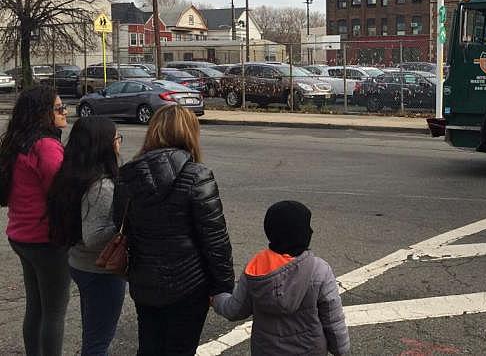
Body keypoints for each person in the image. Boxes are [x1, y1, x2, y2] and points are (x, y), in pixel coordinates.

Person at [113, 104, 234, 355]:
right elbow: (215, 240)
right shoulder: (197, 175)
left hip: (144, 280)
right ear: (190, 134)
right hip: (188, 284)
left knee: (149, 346)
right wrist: (222, 286)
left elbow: (121, 225)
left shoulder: (129, 175)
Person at [211, 200, 350, 356]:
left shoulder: (256, 268)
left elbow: (234, 310)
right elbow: (333, 319)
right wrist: (341, 350)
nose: (311, 230)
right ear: (301, 232)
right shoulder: (319, 270)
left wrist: (216, 298)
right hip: (310, 350)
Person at [0, 85, 70, 355]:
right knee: (54, 311)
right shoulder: (46, 146)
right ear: (43, 113)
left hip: (21, 235)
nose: (64, 112)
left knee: (36, 306)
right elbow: (62, 190)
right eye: (58, 108)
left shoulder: (16, 142)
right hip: (46, 239)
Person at [47, 117, 125, 356]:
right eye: (116, 139)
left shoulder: (70, 176)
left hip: (79, 262)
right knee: (98, 341)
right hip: (100, 269)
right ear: (103, 144)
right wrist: (125, 226)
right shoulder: (101, 186)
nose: (119, 144)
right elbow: (95, 236)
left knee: (92, 332)